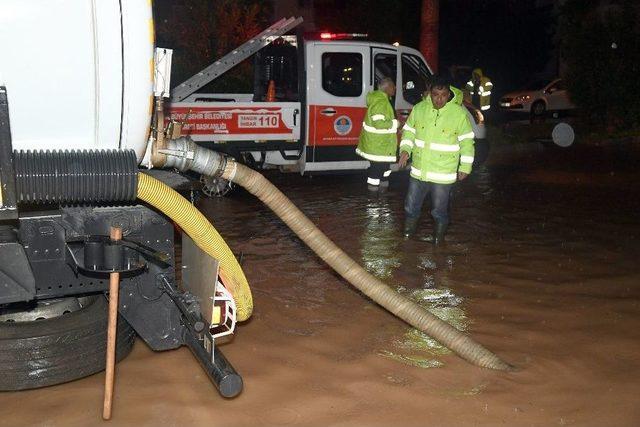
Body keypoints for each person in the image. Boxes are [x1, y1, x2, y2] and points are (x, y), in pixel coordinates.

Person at [398, 75, 475, 244]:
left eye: (444, 95)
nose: (439, 99)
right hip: (418, 172)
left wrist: (465, 166)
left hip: (443, 174)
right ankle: (407, 240)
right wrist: (405, 150)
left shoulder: (458, 114)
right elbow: (409, 131)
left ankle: (438, 244)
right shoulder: (419, 109)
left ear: (449, 95)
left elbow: (467, 142)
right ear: (429, 93)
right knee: (410, 208)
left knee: (439, 212)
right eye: (435, 94)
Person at [356, 77, 398, 191]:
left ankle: (382, 196)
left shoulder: (381, 99)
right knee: (376, 172)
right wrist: (395, 124)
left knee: (384, 169)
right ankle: (373, 202)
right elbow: (378, 124)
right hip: (378, 146)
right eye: (393, 86)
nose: (395, 88)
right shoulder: (381, 102)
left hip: (381, 146)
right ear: (387, 87)